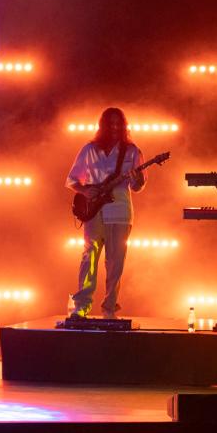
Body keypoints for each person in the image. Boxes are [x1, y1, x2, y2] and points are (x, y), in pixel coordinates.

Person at [66, 108, 146, 319]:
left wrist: (137, 178)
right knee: (88, 256)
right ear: (102, 126)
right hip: (94, 211)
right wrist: (85, 190)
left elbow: (137, 186)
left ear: (123, 126)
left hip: (120, 210)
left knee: (115, 262)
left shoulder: (131, 151)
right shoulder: (89, 149)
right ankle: (81, 306)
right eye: (109, 123)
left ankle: (109, 308)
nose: (114, 127)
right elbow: (72, 180)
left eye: (118, 123)